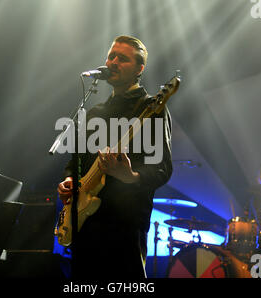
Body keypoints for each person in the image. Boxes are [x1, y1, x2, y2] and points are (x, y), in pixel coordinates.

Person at [57, 35, 173, 279]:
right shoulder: (95, 113)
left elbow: (162, 168)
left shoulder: (151, 108)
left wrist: (129, 176)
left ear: (140, 69)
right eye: (111, 56)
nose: (113, 62)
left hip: (125, 226)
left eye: (123, 59)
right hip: (86, 224)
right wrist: (69, 180)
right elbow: (75, 162)